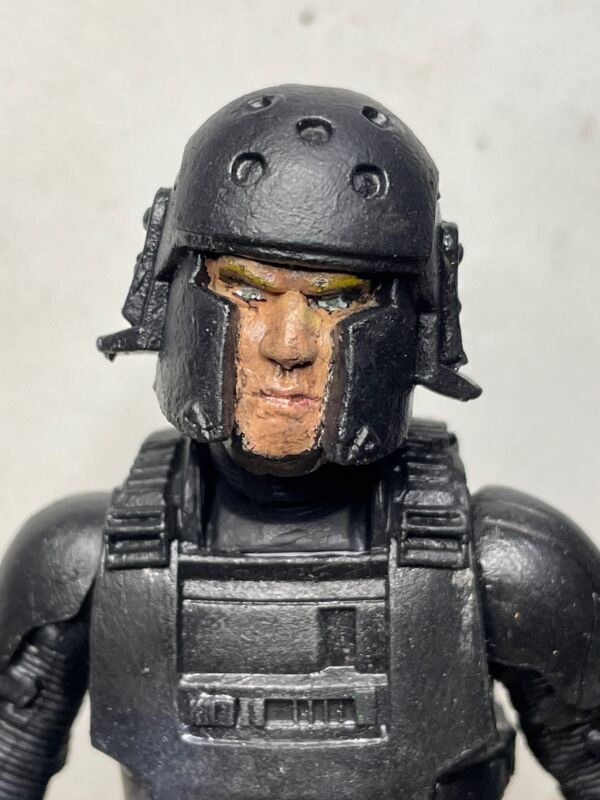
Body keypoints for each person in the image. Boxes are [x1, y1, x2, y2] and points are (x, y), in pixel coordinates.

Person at [1, 85, 599, 800]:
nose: (288, 346)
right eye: (248, 289)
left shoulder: (508, 568)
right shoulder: (82, 563)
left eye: (337, 298)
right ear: (170, 295)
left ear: (417, 321)